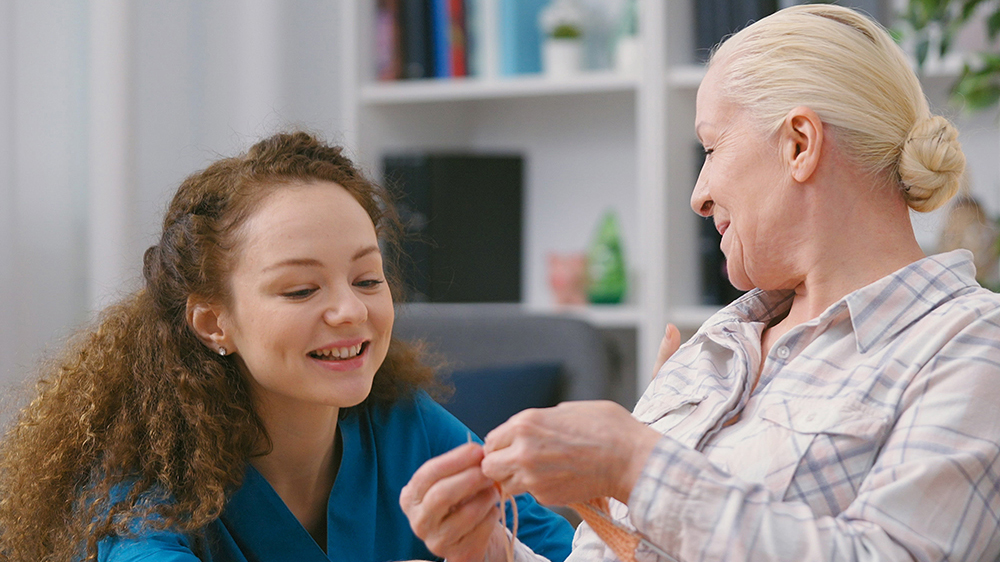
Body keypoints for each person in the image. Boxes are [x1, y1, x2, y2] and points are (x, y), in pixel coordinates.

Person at [402, 4, 1000, 561]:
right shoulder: (717, 345)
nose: (698, 194)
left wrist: (636, 462)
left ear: (799, 143)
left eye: (712, 148)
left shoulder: (969, 347)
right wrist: (488, 549)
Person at [0, 131, 574, 562]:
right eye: (301, 289)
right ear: (212, 323)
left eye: (368, 279)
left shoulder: (408, 428)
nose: (350, 309)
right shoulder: (141, 483)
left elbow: (570, 554)